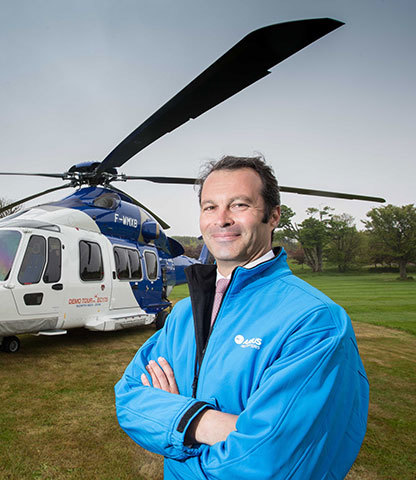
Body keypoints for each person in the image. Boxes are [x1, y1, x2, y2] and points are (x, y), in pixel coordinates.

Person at [115, 155, 369, 479]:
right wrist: (210, 423)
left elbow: (269, 460)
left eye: (239, 205)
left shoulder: (315, 322)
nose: (221, 219)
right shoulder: (182, 314)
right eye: (210, 207)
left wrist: (174, 419)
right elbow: (129, 397)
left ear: (273, 216)